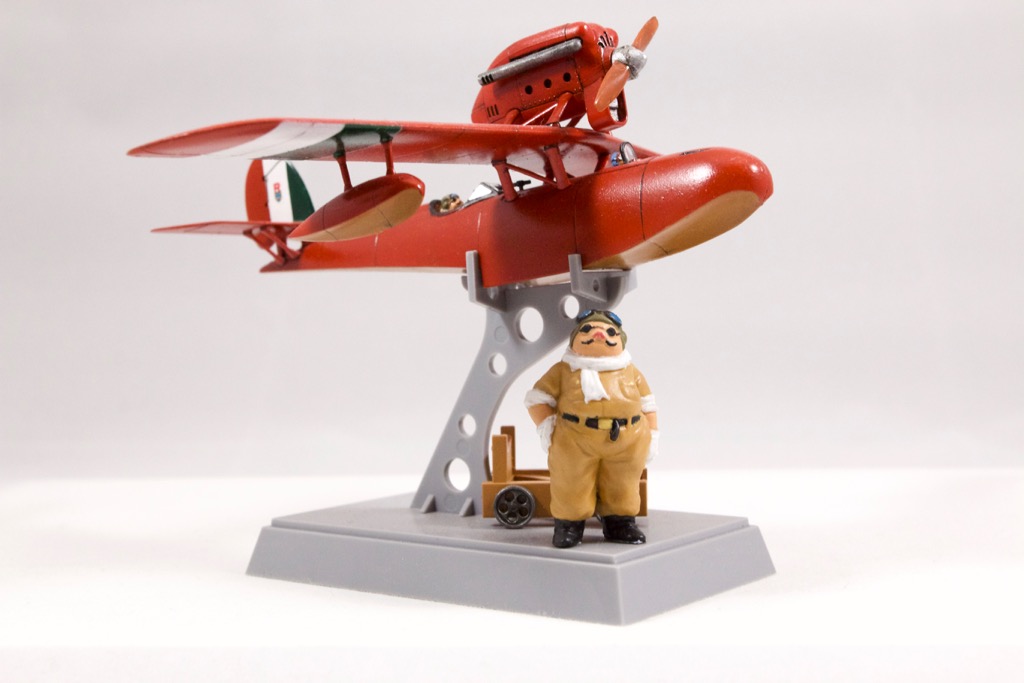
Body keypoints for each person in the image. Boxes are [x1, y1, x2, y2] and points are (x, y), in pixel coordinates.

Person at [525, 310, 659, 548]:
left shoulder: (630, 371)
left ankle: (620, 522)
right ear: (575, 339)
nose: (599, 334)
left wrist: (652, 435)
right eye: (587, 330)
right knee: (571, 483)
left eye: (610, 332)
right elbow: (536, 399)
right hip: (575, 439)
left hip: (627, 440)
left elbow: (648, 404)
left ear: (620, 340)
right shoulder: (564, 370)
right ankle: (569, 525)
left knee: (623, 484)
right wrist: (548, 427)